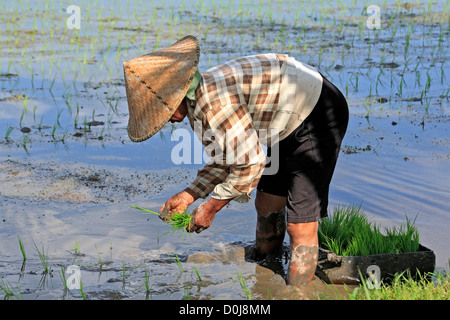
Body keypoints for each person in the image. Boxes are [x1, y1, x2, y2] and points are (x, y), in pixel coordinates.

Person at [123, 35, 349, 286]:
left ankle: (297, 292)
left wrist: (211, 207)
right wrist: (188, 195)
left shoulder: (214, 107)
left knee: (300, 226)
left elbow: (252, 163)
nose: (165, 120)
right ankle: (267, 269)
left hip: (316, 112)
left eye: (163, 112)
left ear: (175, 97)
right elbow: (227, 159)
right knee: (266, 205)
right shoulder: (197, 105)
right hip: (282, 120)